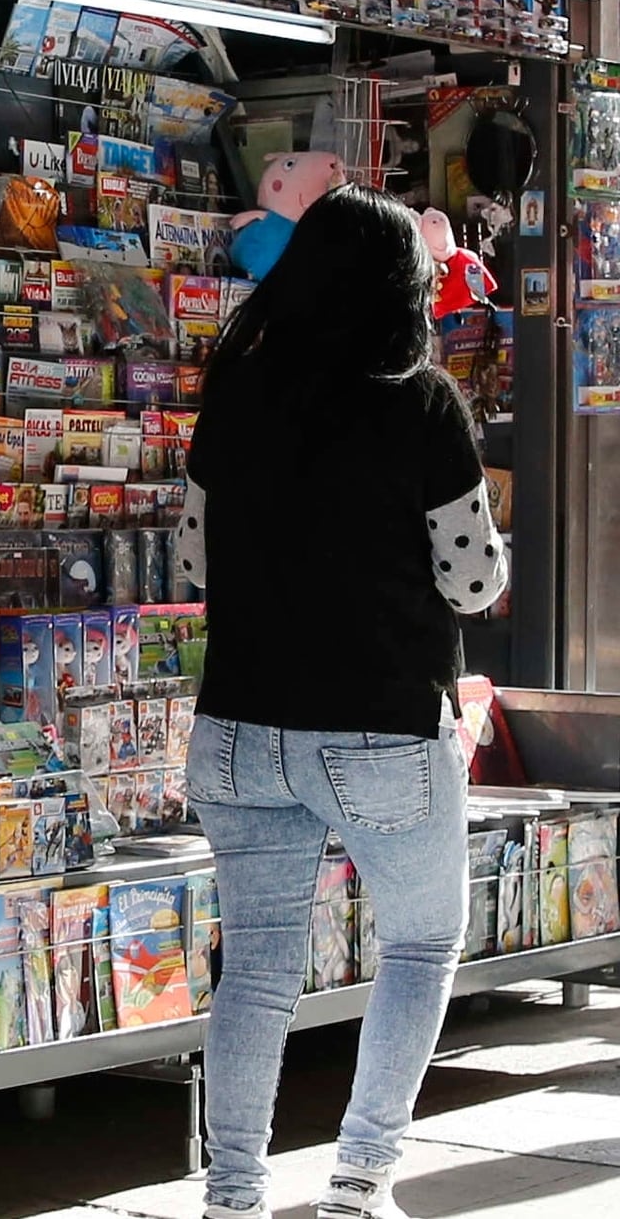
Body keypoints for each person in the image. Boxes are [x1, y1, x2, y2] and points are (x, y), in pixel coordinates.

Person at [174, 185, 508, 1219]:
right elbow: (469, 584)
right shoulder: (417, 403)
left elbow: (192, 559)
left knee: (258, 968)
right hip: (375, 729)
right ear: (400, 288)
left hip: (236, 729)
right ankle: (357, 1183)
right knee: (419, 941)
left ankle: (230, 1194)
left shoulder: (234, 391)